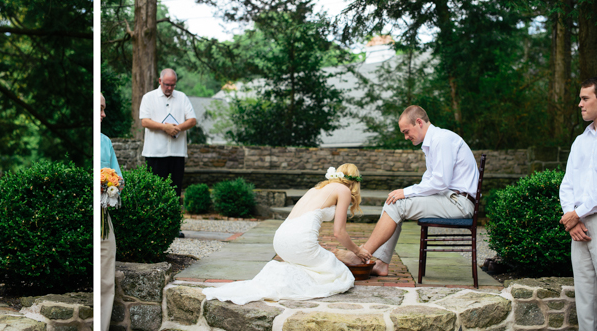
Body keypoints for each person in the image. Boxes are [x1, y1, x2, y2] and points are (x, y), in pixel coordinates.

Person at [202, 164, 365, 304]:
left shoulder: (317, 188)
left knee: (310, 267)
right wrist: (357, 251)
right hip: (299, 243)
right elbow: (339, 232)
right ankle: (336, 257)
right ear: (355, 182)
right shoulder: (343, 189)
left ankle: (325, 259)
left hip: (281, 240)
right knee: (343, 276)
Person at [358, 106, 479, 276]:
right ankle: (379, 263)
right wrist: (404, 193)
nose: (406, 137)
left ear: (419, 122)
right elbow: (429, 180)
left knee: (398, 203)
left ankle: (361, 256)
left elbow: (440, 182)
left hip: (460, 203)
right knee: (394, 201)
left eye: (407, 131)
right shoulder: (432, 142)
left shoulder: (441, 140)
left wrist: (406, 192)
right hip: (450, 198)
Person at [560, 77, 597, 331]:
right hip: (579, 225)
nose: (579, 104)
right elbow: (567, 184)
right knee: (584, 294)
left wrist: (578, 214)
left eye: (585, 98)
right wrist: (570, 217)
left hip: (592, 218)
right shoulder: (580, 140)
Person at [139, 68, 197, 198]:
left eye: (172, 85)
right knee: (154, 192)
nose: (169, 88)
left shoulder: (182, 97)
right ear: (160, 81)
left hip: (177, 153)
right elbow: (145, 122)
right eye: (166, 84)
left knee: (175, 192)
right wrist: (165, 128)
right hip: (154, 153)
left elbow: (192, 120)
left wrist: (177, 128)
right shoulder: (148, 97)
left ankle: (174, 218)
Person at [99, 92, 121, 331]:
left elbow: (118, 178)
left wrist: (112, 185)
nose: (104, 114)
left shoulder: (106, 141)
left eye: (105, 109)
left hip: (103, 216)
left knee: (106, 279)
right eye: (100, 109)